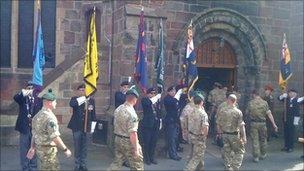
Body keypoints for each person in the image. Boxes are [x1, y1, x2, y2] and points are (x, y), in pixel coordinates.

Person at [26, 89, 72, 170]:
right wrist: (65, 149)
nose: (56, 103)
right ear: (49, 103)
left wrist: (32, 147)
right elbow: (55, 137)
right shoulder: (50, 118)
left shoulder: (37, 116)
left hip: (40, 150)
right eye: (55, 101)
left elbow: (34, 133)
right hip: (48, 151)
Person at [108, 88, 144, 170]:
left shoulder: (118, 109)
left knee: (117, 162)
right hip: (128, 141)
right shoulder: (132, 114)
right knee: (137, 165)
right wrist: (136, 149)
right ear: (135, 99)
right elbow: (133, 133)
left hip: (118, 138)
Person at [14, 82, 42, 171]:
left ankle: (33, 167)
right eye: (28, 88)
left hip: (34, 128)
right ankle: (25, 168)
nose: (30, 89)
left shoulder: (38, 100)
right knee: (24, 149)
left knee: (33, 148)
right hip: (24, 128)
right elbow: (16, 98)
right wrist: (22, 93)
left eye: (31, 88)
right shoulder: (22, 99)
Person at [68, 84, 96, 171]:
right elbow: (72, 104)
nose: (82, 91)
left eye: (84, 90)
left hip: (87, 127)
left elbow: (93, 114)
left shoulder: (91, 101)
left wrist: (92, 128)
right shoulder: (75, 99)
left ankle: (83, 163)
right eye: (80, 90)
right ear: (77, 91)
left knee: (84, 147)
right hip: (77, 127)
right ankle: (77, 164)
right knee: (77, 146)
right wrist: (84, 98)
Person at [246, 90, 278, 162]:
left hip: (253, 123)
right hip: (263, 123)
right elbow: (269, 114)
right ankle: (263, 154)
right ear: (259, 95)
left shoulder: (250, 103)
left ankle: (256, 157)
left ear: (253, 95)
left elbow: (247, 113)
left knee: (255, 140)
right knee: (263, 139)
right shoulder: (265, 103)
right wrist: (274, 124)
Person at [216, 94, 246, 170]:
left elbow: (218, 123)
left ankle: (228, 167)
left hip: (224, 134)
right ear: (235, 101)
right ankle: (234, 168)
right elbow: (241, 125)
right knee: (240, 151)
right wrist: (244, 137)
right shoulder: (238, 112)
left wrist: (219, 133)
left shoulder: (222, 110)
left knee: (227, 152)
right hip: (234, 135)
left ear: (228, 100)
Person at [184, 92, 209, 171]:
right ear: (201, 102)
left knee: (193, 154)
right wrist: (204, 137)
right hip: (199, 137)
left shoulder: (189, 110)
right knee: (196, 156)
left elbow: (184, 120)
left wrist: (185, 131)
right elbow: (205, 127)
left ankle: (200, 168)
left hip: (191, 135)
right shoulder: (203, 113)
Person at [140, 87, 161, 165]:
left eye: (154, 93)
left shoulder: (156, 101)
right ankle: (146, 158)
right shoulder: (145, 100)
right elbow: (148, 104)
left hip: (155, 124)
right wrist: (155, 98)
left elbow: (159, 111)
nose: (153, 95)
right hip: (147, 125)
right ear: (148, 94)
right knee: (147, 142)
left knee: (153, 141)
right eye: (151, 93)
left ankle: (152, 157)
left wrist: (160, 121)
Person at [163, 86, 183, 161]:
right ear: (168, 92)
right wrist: (176, 98)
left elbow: (178, 107)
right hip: (170, 121)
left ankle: (172, 152)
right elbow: (173, 103)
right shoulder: (167, 99)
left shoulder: (174, 99)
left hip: (175, 121)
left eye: (174, 91)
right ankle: (173, 154)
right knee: (171, 139)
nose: (173, 92)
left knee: (174, 138)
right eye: (172, 91)